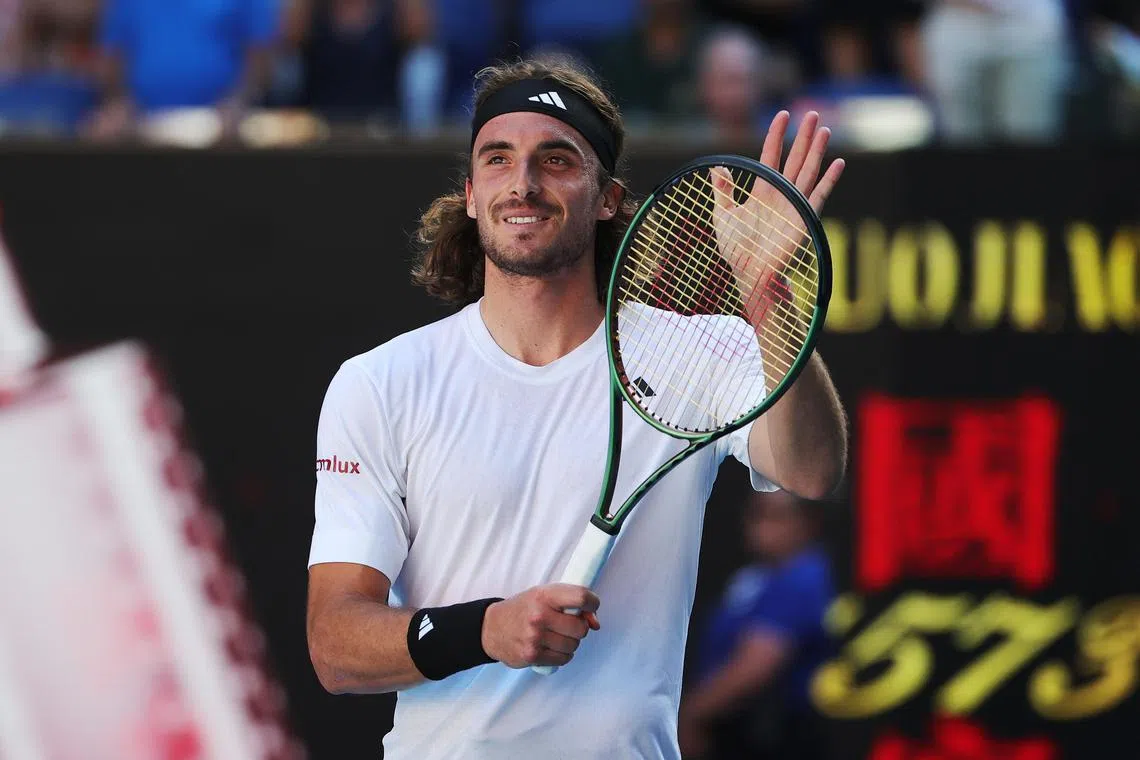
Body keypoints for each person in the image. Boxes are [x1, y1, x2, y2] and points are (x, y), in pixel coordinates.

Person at [305, 56, 848, 759]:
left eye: (556, 159)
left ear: (607, 198)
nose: (523, 182)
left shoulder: (707, 350)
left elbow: (811, 471)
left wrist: (769, 294)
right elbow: (336, 646)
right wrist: (487, 630)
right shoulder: (379, 382)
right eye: (498, 159)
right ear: (471, 194)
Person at [678, 490, 836, 760]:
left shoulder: (805, 575)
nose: (760, 526)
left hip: (774, 736)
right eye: (756, 513)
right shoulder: (756, 575)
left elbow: (759, 663)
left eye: (775, 516)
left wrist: (693, 714)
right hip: (730, 733)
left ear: (808, 521)